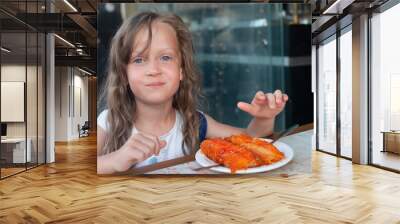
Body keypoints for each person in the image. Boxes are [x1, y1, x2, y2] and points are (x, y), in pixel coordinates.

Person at [97, 12, 289, 174]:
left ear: (181, 70)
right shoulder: (107, 123)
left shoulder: (197, 123)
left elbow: (249, 143)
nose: (153, 69)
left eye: (165, 57)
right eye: (139, 60)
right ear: (123, 73)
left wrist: (263, 120)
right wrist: (114, 160)